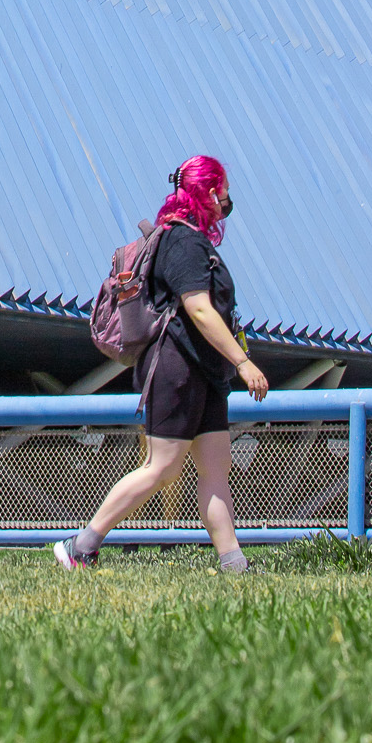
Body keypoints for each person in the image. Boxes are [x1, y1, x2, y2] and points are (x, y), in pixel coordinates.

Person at [54, 155, 268, 574]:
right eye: (223, 190)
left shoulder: (194, 241)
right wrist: (243, 362)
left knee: (215, 469)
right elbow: (199, 309)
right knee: (162, 467)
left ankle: (234, 564)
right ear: (209, 192)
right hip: (177, 367)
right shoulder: (183, 241)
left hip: (205, 372)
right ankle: (81, 545)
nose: (227, 200)